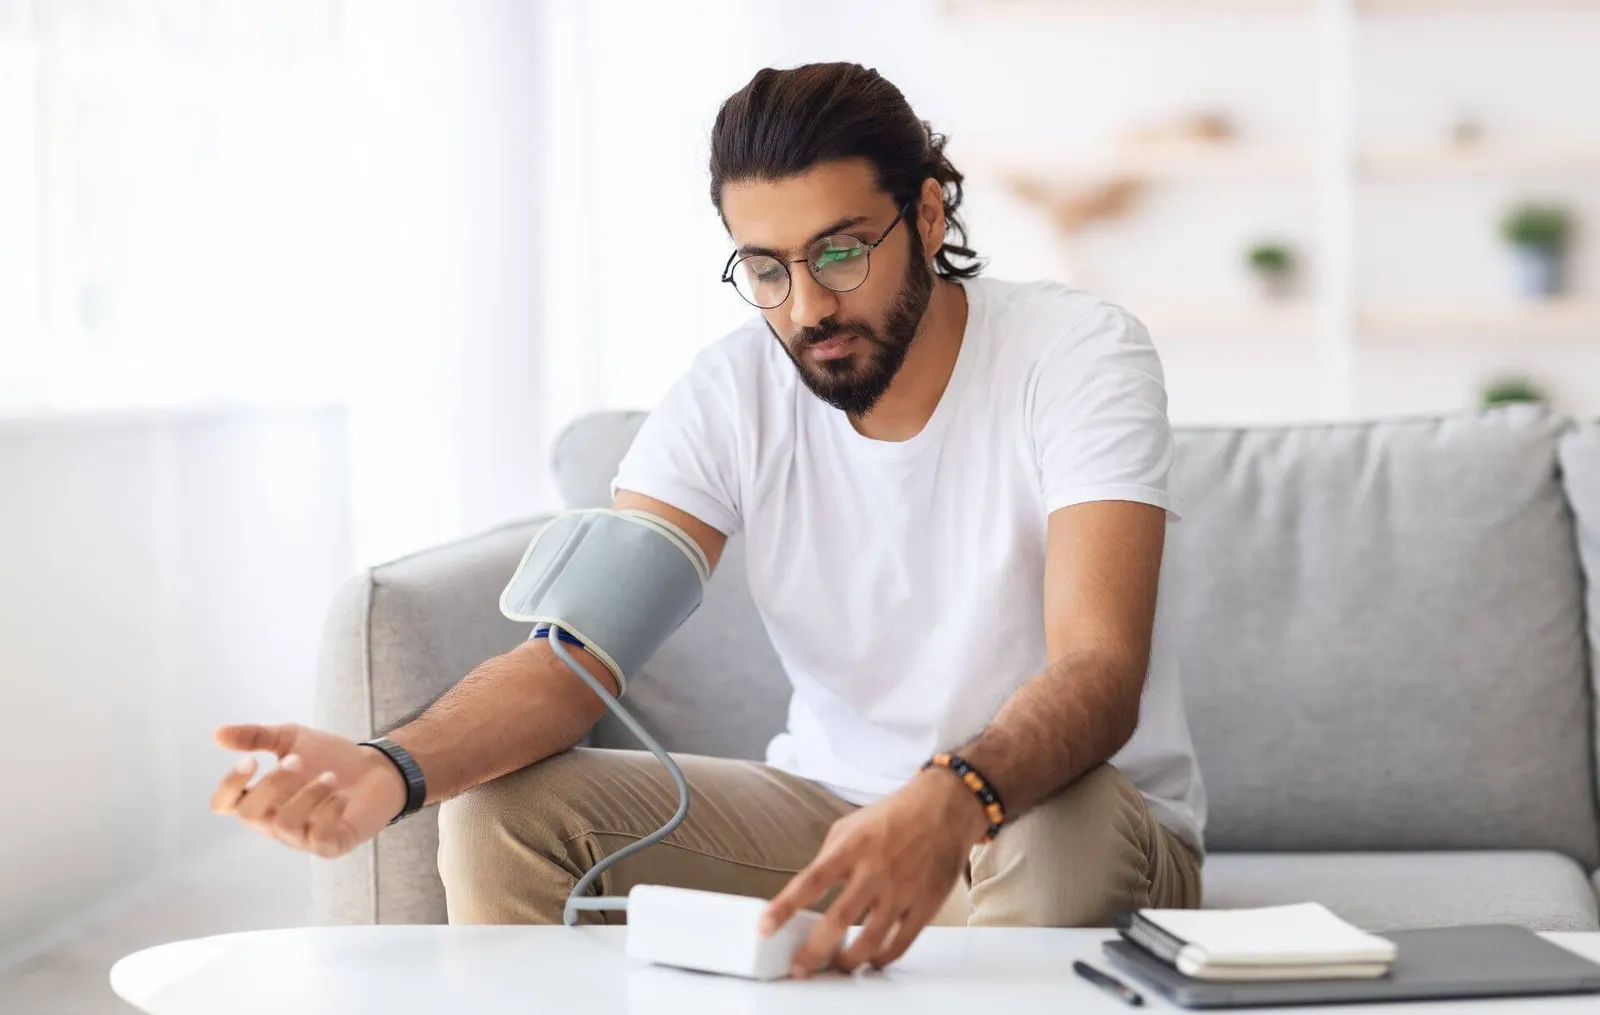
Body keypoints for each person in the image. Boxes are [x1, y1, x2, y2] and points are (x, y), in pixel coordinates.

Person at [209, 61, 1206, 978]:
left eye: (841, 252)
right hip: (831, 806)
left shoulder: (1075, 354)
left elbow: (1098, 671)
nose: (807, 307)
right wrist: (392, 767)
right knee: (505, 814)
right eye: (766, 268)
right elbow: (573, 662)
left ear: (929, 213)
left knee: (1047, 826)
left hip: (1061, 810)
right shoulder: (730, 396)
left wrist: (950, 799)